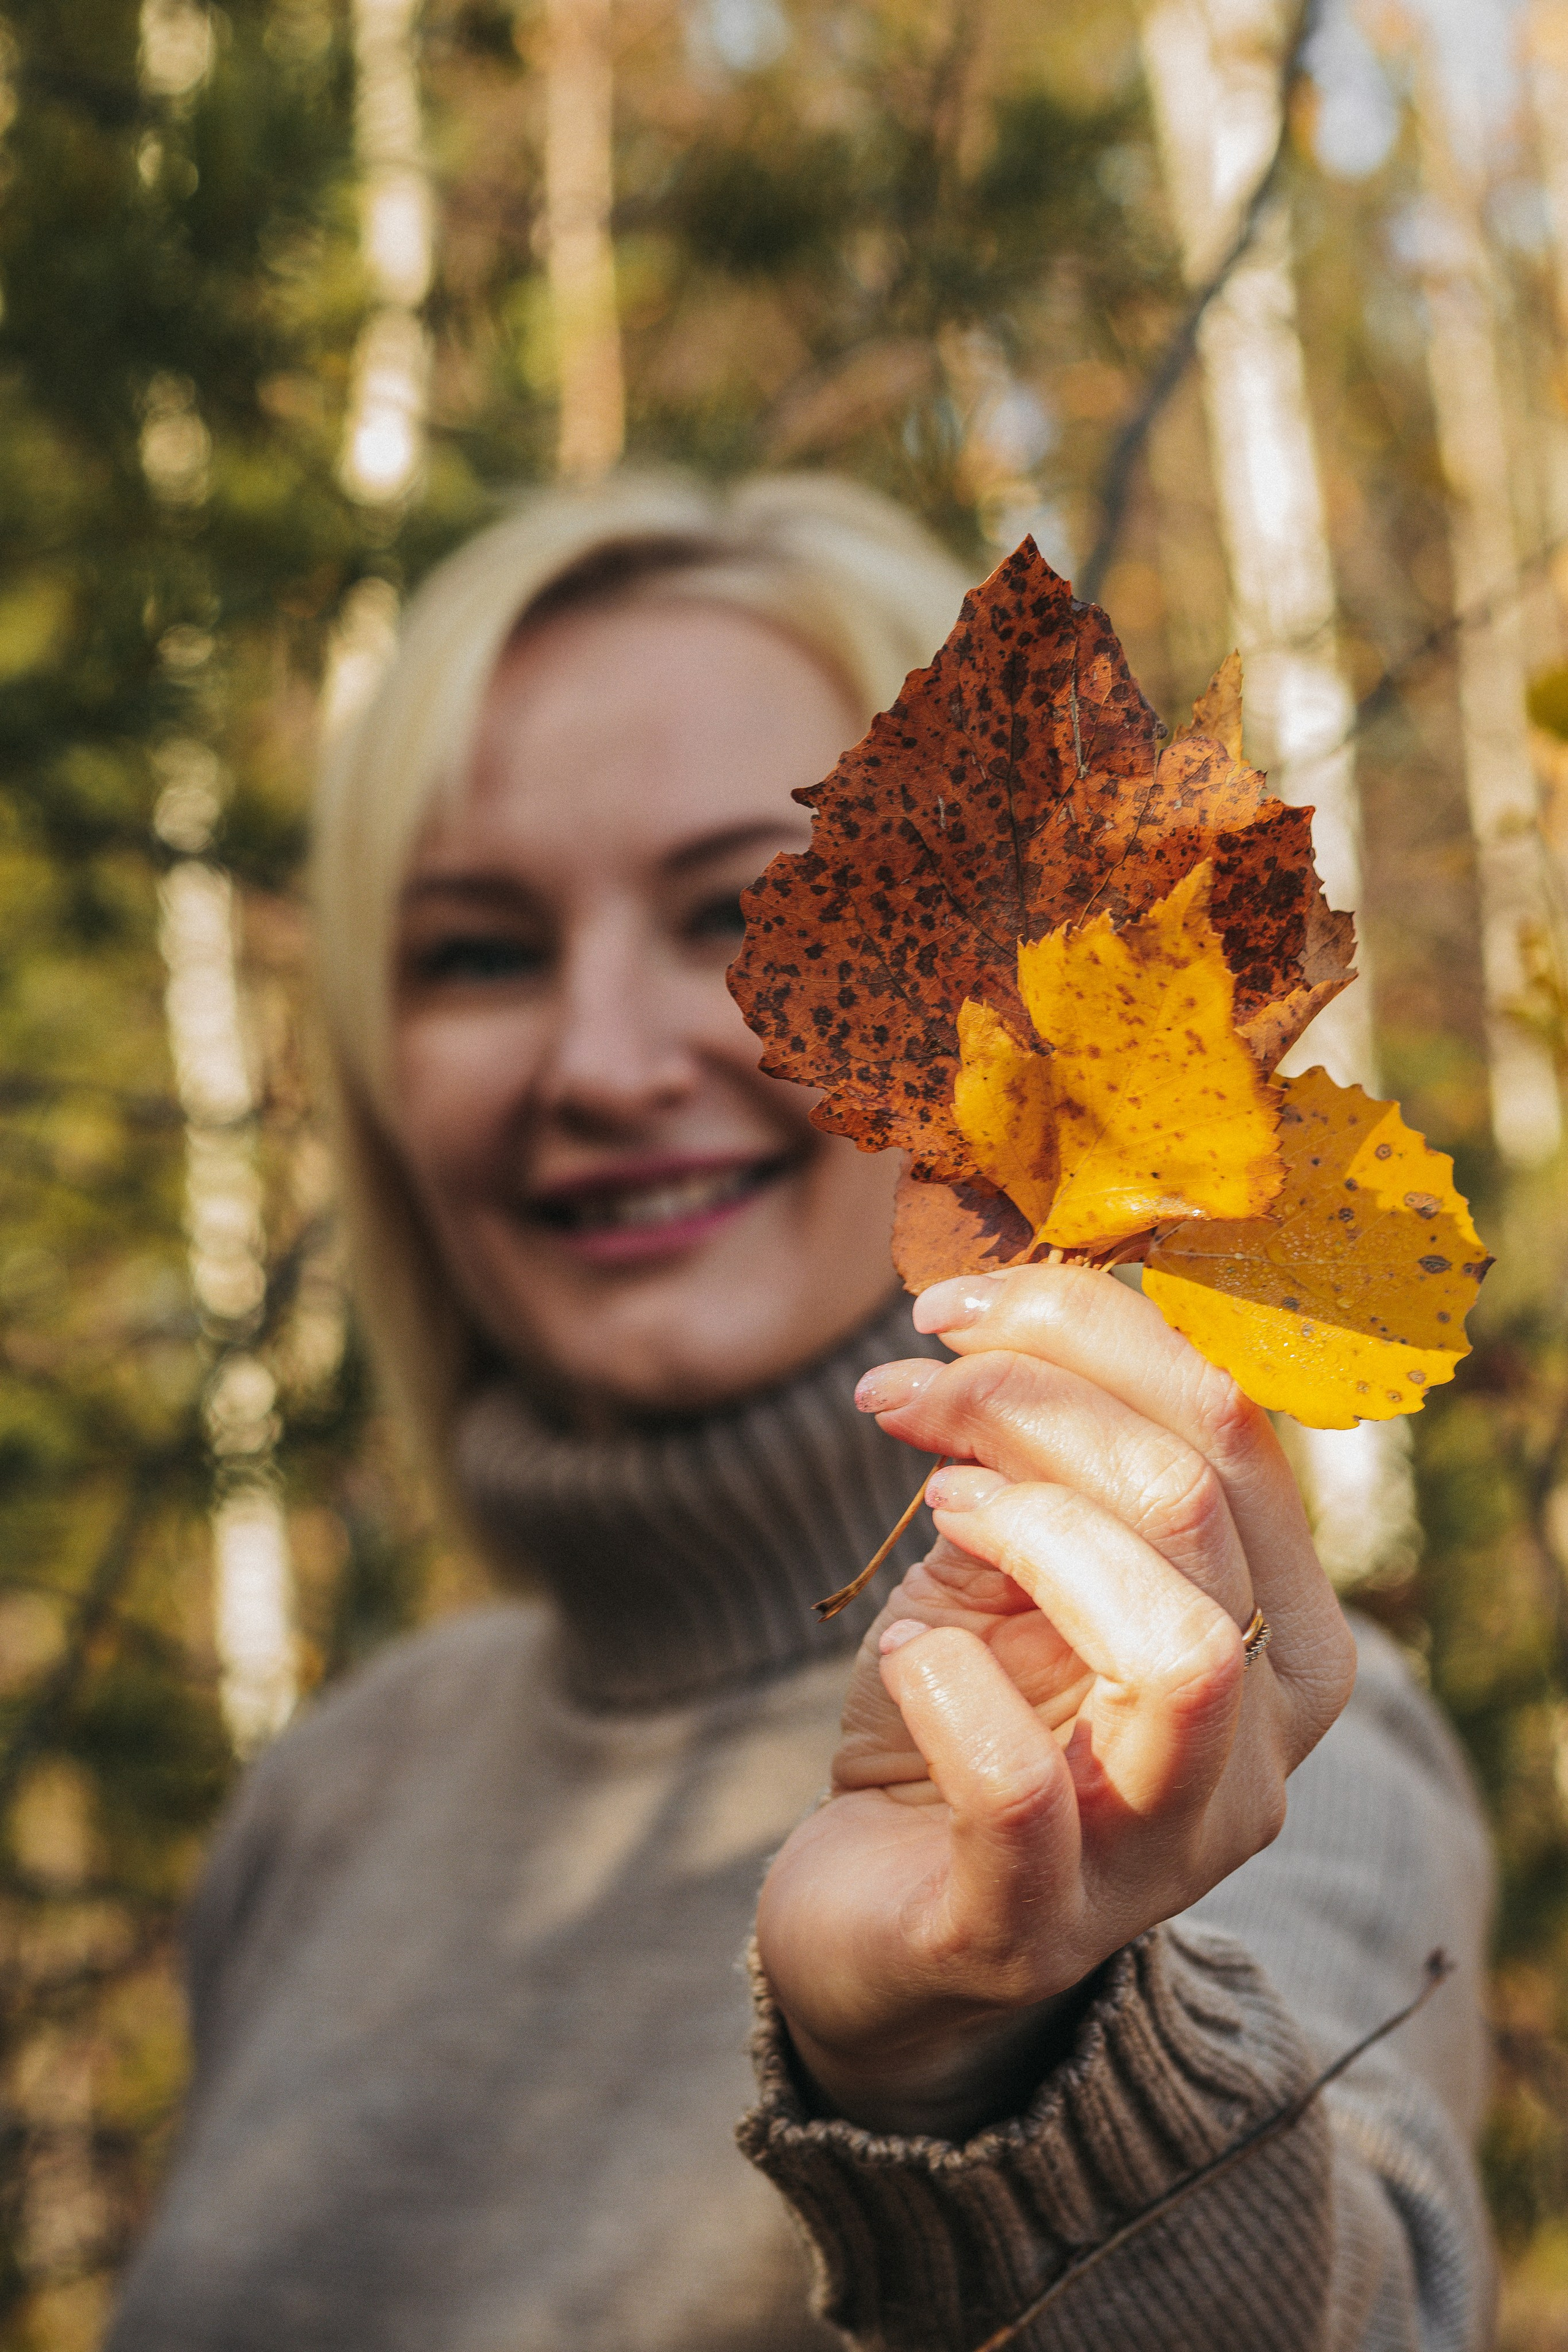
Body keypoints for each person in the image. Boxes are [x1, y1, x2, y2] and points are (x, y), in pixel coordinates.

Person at [108, 472, 1496, 2352]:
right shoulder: (334, 1797)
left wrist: (985, 2064)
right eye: (481, 953)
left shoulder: (1198, 1740)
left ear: (1006, 994)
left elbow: (1365, 2301)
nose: (604, 1063)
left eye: (741, 914)